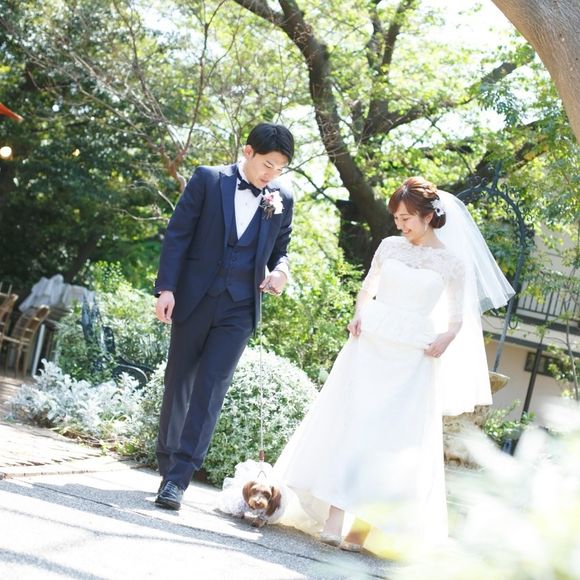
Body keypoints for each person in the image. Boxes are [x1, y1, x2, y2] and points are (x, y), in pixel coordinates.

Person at [273, 176, 514, 557]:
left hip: (414, 356)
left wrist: (445, 339)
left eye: (406, 219)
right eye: (397, 219)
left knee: (391, 440)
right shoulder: (389, 247)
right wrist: (358, 314)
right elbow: (367, 288)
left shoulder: (451, 263)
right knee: (352, 425)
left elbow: (456, 319)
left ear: (428, 216)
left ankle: (363, 528)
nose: (400, 225)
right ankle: (334, 517)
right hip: (370, 343)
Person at [153, 123, 294, 510]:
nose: (271, 175)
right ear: (248, 152)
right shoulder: (208, 179)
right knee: (178, 382)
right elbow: (178, 234)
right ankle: (167, 464)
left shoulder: (281, 197)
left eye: (280, 168)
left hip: (240, 307)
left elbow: (281, 248)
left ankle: (179, 478)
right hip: (194, 298)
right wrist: (166, 288)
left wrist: (281, 271)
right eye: (267, 164)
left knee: (211, 388)